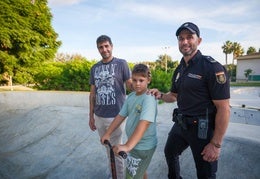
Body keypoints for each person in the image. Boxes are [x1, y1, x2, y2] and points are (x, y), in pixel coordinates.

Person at [149, 22, 230, 179]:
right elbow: (173, 95)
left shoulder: (212, 67)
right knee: (170, 152)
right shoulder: (180, 69)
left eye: (189, 37)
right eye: (181, 38)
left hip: (203, 130)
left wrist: (215, 144)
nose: (184, 42)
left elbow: (224, 108)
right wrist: (159, 95)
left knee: (205, 173)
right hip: (181, 124)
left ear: (198, 41)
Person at [101, 64, 158, 179]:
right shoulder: (131, 96)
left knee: (131, 176)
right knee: (141, 172)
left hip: (143, 146)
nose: (137, 84)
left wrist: (127, 146)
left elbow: (145, 123)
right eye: (135, 80)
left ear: (148, 80)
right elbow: (120, 116)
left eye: (141, 80)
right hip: (134, 144)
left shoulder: (149, 98)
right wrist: (108, 133)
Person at [89, 35, 132, 179]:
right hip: (99, 116)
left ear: (111, 46)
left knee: (116, 148)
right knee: (108, 148)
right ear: (98, 49)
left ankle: (119, 176)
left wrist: (143, 86)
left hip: (116, 115)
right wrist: (91, 117)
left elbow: (131, 84)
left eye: (106, 46)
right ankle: (114, 173)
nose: (104, 49)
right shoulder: (94, 68)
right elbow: (92, 93)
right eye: (101, 47)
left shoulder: (121, 64)